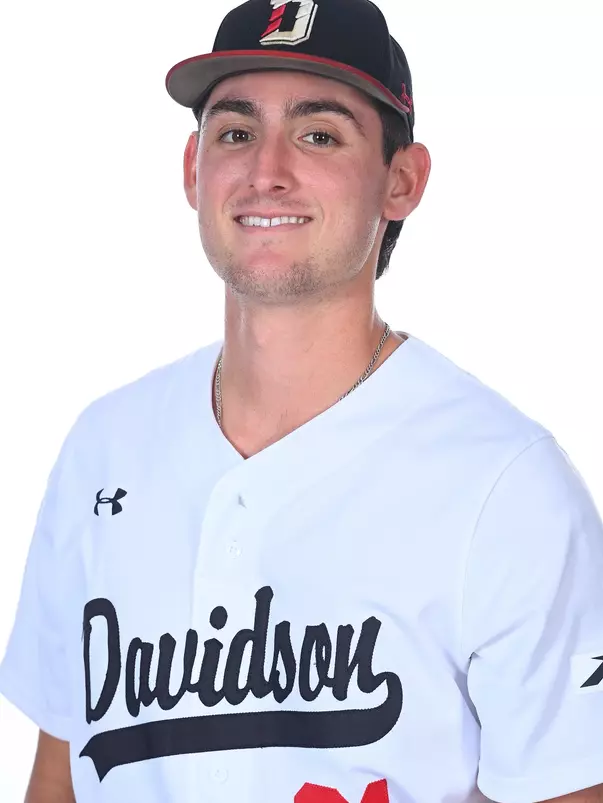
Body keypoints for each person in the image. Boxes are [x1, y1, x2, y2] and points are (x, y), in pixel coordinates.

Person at [1, 0, 603, 801]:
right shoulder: (104, 447)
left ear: (401, 180)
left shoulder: (506, 486)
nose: (267, 170)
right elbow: (62, 772)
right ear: (193, 168)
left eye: (318, 135)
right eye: (235, 132)